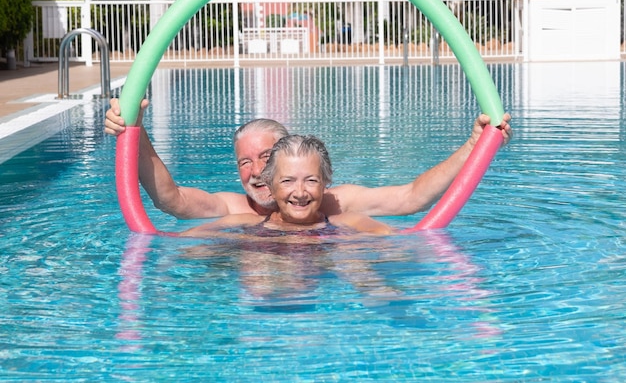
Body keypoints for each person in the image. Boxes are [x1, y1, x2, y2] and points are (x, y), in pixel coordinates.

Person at [104, 98, 512, 219]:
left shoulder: (336, 202)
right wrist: (134, 132)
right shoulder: (232, 209)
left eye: (265, 157)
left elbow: (411, 199)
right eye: (244, 162)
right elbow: (170, 199)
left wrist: (474, 145)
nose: (255, 171)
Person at [180, 134, 395, 238]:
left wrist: (346, 246)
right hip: (266, 286)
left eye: (311, 180)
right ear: (270, 186)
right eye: (287, 181)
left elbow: (385, 235)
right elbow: (185, 242)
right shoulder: (244, 225)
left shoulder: (346, 223)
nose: (300, 193)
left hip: (326, 274)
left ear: (325, 184)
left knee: (353, 263)